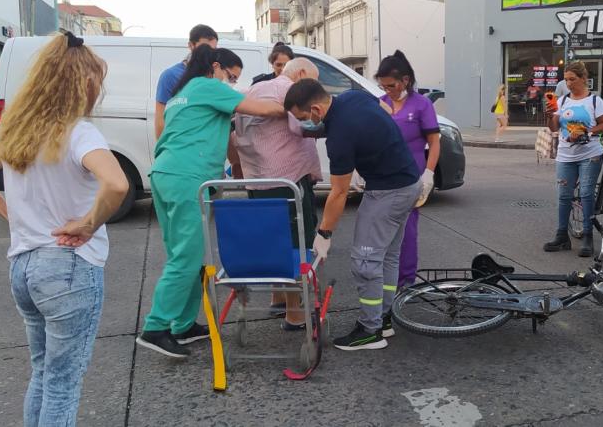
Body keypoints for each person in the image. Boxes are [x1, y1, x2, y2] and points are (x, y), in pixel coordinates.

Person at [0, 32, 130, 427]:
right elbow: (117, 184)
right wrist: (88, 224)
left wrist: (10, 215)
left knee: (43, 373)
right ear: (83, 83)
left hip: (23, 265)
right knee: (63, 384)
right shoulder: (79, 132)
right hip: (68, 267)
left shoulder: (15, 132)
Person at [137, 45, 285, 358]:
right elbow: (260, 109)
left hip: (167, 175)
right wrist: (292, 108)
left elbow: (221, 133)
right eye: (230, 77)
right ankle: (156, 327)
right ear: (215, 66)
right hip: (187, 177)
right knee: (187, 256)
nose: (230, 84)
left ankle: (183, 325)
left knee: (192, 254)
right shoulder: (207, 86)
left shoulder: (183, 92)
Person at [284, 79, 420, 351]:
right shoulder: (352, 97)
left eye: (303, 119)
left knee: (365, 261)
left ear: (315, 110)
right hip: (408, 183)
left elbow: (338, 193)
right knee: (388, 257)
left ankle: (370, 331)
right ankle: (384, 319)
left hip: (388, 192)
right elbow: (384, 108)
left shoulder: (341, 136)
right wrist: (372, 147)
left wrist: (324, 233)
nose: (305, 125)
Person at [233, 57, 321, 330]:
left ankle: (278, 296)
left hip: (256, 178)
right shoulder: (289, 92)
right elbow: (304, 127)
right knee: (297, 244)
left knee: (271, 238)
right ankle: (295, 313)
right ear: (303, 74)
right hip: (288, 179)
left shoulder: (254, 90)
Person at [375, 50, 440, 291]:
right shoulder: (381, 103)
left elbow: (434, 143)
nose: (388, 90)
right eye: (384, 86)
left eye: (392, 85)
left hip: (412, 176)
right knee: (383, 230)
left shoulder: (421, 104)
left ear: (406, 80)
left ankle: (406, 281)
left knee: (407, 232)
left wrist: (429, 174)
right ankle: (386, 278)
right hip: (384, 176)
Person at [544, 61, 603, 256]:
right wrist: (548, 116)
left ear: (583, 79)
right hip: (565, 155)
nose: (568, 83)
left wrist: (587, 132)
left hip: (590, 154)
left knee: (586, 194)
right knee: (564, 195)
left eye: (572, 79)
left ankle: (588, 237)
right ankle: (562, 236)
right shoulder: (563, 101)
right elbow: (554, 128)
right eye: (566, 80)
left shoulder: (594, 101)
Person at [154, 24, 219, 139]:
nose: (209, 54)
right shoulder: (170, 76)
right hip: (181, 145)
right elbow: (160, 121)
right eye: (204, 48)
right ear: (191, 45)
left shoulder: (216, 74)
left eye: (213, 50)